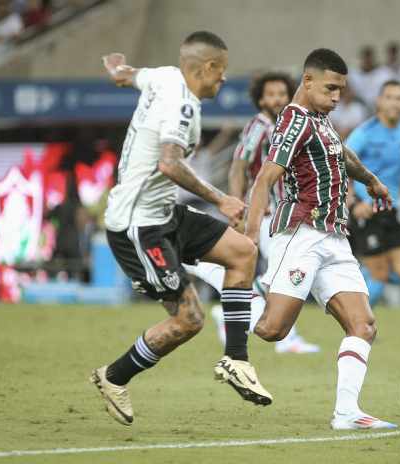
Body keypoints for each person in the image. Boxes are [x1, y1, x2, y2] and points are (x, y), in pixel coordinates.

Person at [90, 31, 271, 428]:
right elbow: (169, 164)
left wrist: (115, 66)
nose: (223, 80)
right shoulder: (182, 105)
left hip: (163, 213)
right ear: (206, 68)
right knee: (188, 320)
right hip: (138, 228)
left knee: (242, 252)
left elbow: (126, 75)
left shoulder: (164, 75)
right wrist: (221, 198)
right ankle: (114, 377)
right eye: (221, 72)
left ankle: (237, 359)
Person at [246, 48, 397, 430]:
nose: (336, 98)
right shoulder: (293, 120)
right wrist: (248, 240)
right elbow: (265, 179)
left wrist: (372, 181)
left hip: (335, 236)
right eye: (330, 88)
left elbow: (340, 153)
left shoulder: (321, 119)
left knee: (363, 325)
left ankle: (347, 412)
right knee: (272, 330)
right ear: (307, 80)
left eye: (341, 91)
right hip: (301, 234)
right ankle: (233, 300)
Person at [184, 71, 320, 354]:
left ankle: (229, 303)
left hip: (286, 211)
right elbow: (238, 166)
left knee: (281, 272)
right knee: (285, 271)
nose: (277, 99)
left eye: (282, 94)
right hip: (268, 212)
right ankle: (286, 338)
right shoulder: (258, 126)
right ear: (260, 99)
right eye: (270, 95)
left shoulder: (289, 125)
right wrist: (237, 205)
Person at [346, 80, 400, 306]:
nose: (395, 102)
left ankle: (353, 283)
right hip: (366, 209)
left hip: (391, 209)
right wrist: (353, 204)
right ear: (379, 102)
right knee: (379, 276)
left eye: (399, 98)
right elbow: (341, 167)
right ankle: (358, 323)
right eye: (390, 97)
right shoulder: (363, 134)